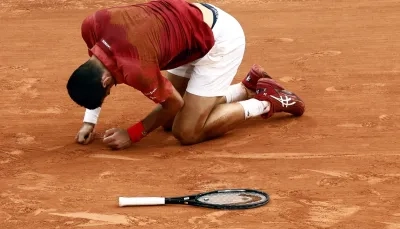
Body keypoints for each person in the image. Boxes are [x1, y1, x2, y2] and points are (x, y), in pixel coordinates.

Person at [66, 0, 305, 150]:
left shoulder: (136, 69)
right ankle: (247, 87)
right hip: (184, 29)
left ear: (106, 80)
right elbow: (93, 72)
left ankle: (266, 101)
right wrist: (90, 120)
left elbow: (173, 104)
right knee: (168, 123)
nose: (112, 88)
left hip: (218, 41)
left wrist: (133, 134)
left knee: (186, 131)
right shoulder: (92, 25)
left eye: (108, 89)